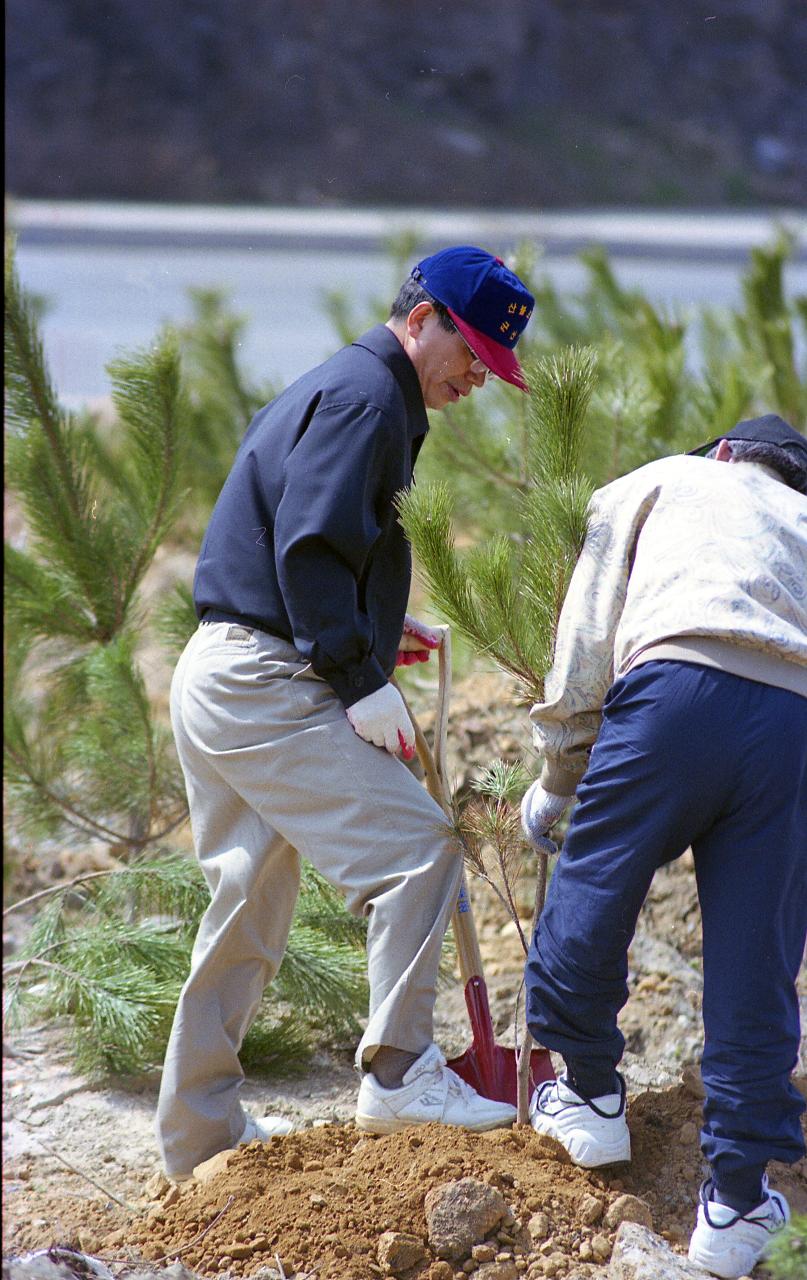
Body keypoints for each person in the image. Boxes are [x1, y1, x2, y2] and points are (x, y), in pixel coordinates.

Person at [156, 246, 536, 1181]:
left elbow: (293, 535)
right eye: (471, 355)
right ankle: (402, 1074)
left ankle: (197, 1141)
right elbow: (312, 544)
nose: (477, 379)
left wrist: (374, 625)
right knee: (419, 850)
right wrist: (355, 673)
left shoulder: (345, 384)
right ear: (420, 320)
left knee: (248, 904)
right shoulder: (370, 398)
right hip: (262, 677)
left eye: (492, 366)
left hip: (220, 670)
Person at [519, 414, 807, 1280]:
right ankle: (735, 1201)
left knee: (595, 886)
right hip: (794, 718)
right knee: (758, 955)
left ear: (722, 452)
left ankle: (588, 1091)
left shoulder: (660, 482)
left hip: (673, 688)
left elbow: (585, 640)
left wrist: (559, 773)